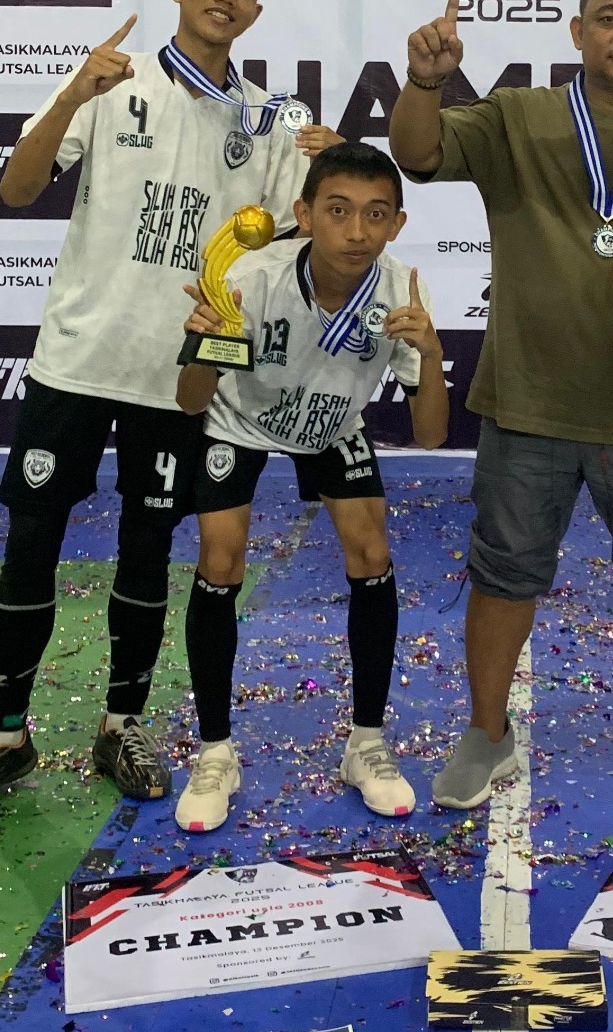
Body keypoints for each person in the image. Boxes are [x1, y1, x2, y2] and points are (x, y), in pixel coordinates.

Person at [0, 0, 339, 828]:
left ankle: (122, 725)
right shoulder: (112, 81)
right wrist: (74, 93)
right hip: (78, 360)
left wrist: (330, 176)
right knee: (30, 546)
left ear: (257, 7)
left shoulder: (272, 120)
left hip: (178, 374)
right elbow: (16, 188)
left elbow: (296, 241)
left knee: (148, 551)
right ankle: (2, 736)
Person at [389, 0, 613, 828]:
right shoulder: (518, 116)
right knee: (503, 572)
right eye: (608, 17)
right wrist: (424, 80)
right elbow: (416, 154)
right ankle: (486, 730)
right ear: (577, 31)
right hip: (528, 400)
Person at [171, 141, 447, 831]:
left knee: (372, 553)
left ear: (397, 224)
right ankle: (215, 752)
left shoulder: (401, 290)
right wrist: (204, 341)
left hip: (332, 425)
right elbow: (189, 401)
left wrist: (433, 353)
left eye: (376, 214)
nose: (356, 231)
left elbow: (432, 435)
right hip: (240, 419)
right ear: (304, 214)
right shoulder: (249, 278)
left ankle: (366, 744)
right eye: (338, 210)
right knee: (220, 560)